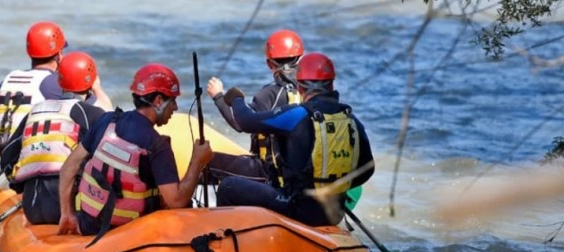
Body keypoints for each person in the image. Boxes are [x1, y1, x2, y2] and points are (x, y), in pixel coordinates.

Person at [215, 52, 374, 227]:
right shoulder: (352, 120)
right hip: (335, 212)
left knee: (228, 186)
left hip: (298, 208)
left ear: (300, 87)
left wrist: (236, 98)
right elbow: (367, 170)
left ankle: (229, 245)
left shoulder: (298, 115)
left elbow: (245, 122)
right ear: (331, 84)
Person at [57, 63, 214, 238]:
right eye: (173, 101)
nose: (175, 108)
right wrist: (197, 162)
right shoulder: (157, 145)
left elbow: (68, 168)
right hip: (131, 236)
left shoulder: (106, 120)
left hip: (90, 226)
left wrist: (67, 214)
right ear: (158, 101)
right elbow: (176, 201)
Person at [0, 21, 112, 191]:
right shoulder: (54, 84)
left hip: (10, 162)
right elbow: (103, 114)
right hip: (40, 163)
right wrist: (97, 89)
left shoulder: (8, 80)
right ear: (59, 55)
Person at [0, 51, 109, 225]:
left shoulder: (35, 110)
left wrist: (19, 187)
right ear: (92, 81)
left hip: (31, 207)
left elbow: (7, 157)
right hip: (68, 208)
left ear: (59, 80)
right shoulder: (90, 114)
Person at [204, 29, 305, 184]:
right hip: (299, 175)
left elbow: (240, 123)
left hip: (269, 173)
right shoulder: (307, 92)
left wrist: (218, 96)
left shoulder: (269, 94)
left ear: (269, 64)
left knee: (207, 162)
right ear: (301, 59)